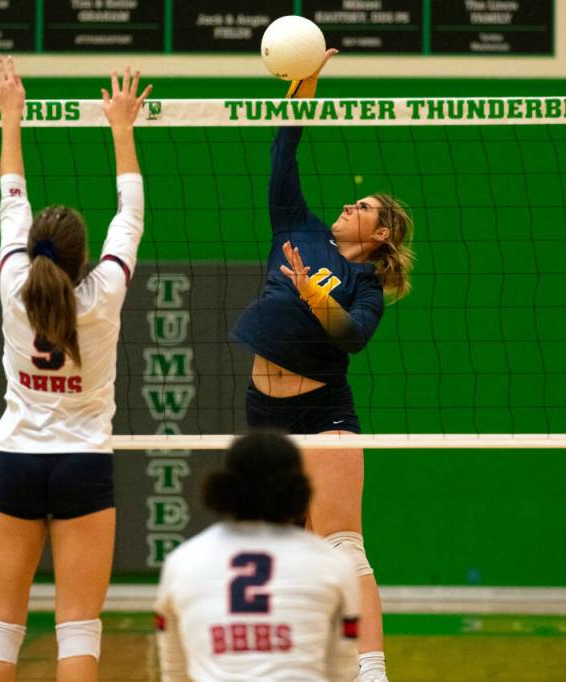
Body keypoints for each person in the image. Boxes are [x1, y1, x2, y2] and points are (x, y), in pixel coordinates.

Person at [229, 50, 414, 682]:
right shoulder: (298, 227)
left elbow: (353, 337)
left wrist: (314, 294)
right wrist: (307, 78)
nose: (350, 206)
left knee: (341, 545)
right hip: (264, 410)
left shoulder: (364, 282)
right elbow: (286, 147)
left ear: (382, 233)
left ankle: (371, 671)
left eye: (364, 206)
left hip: (323, 410)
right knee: (281, 549)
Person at [0, 56, 150, 682]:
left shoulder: (12, 281)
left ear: (33, 251)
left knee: (0, 626)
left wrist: (11, 117)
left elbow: (10, 196)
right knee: (77, 626)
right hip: (84, 463)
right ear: (79, 258)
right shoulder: (102, 294)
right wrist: (121, 128)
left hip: (17, 460)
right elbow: (129, 217)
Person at [154, 429, 360, 682]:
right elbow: (343, 672)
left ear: (225, 484)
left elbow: (175, 673)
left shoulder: (182, 561)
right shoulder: (334, 564)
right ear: (298, 487)